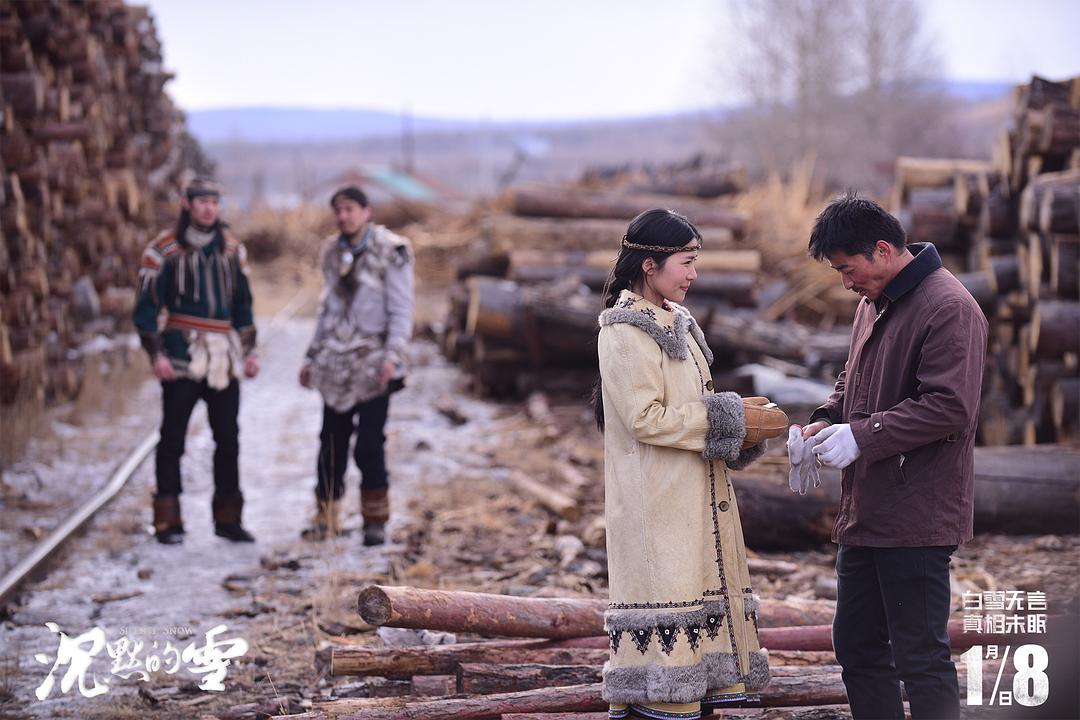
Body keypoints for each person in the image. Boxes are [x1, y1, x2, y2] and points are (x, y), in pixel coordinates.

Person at [800, 192, 988, 719]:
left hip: (918, 513)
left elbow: (950, 406)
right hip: (865, 510)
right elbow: (853, 379)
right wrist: (826, 418)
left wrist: (864, 437)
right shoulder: (873, 303)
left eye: (848, 268)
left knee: (920, 657)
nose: (846, 282)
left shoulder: (950, 307)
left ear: (883, 249)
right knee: (857, 647)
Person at [594, 208, 787, 719]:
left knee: (699, 655)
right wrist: (726, 419)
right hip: (656, 504)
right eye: (687, 261)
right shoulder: (622, 332)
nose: (694, 274)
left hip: (698, 501)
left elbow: (693, 404)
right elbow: (645, 418)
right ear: (650, 265)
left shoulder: (679, 322)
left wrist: (740, 425)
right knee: (666, 665)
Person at [134, 177, 260, 545]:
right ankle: (168, 521)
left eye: (214, 202)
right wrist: (156, 354)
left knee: (228, 438)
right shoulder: (163, 250)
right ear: (187, 204)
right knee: (172, 438)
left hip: (223, 355)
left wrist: (250, 351)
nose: (208, 208)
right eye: (201, 201)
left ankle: (228, 520)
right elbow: (144, 310)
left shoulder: (233, 251)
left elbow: (244, 308)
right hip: (180, 353)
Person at [299, 186, 414, 546]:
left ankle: (375, 520)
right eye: (339, 210)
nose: (344, 216)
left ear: (367, 211)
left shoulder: (391, 250)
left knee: (368, 445)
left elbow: (401, 308)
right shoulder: (333, 252)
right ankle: (327, 518)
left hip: (374, 361)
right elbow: (326, 307)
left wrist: (393, 356)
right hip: (336, 362)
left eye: (350, 209)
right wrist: (311, 354)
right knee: (330, 442)